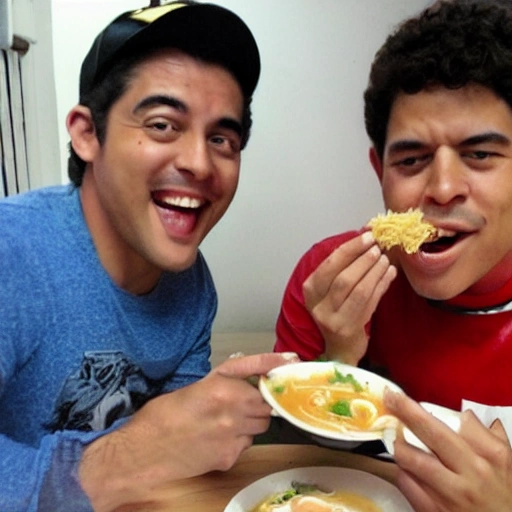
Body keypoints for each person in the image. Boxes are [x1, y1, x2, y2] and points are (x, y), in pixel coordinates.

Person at [0, 2, 298, 510]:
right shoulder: (14, 253)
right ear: (88, 133)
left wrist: (206, 427)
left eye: (222, 138)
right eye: (162, 125)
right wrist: (131, 454)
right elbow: (147, 454)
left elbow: (175, 466)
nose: (200, 163)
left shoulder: (194, 292)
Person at [274, 0, 512, 509]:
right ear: (378, 169)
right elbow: (301, 471)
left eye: (481, 154)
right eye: (411, 159)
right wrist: (337, 358)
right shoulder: (328, 281)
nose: (444, 188)